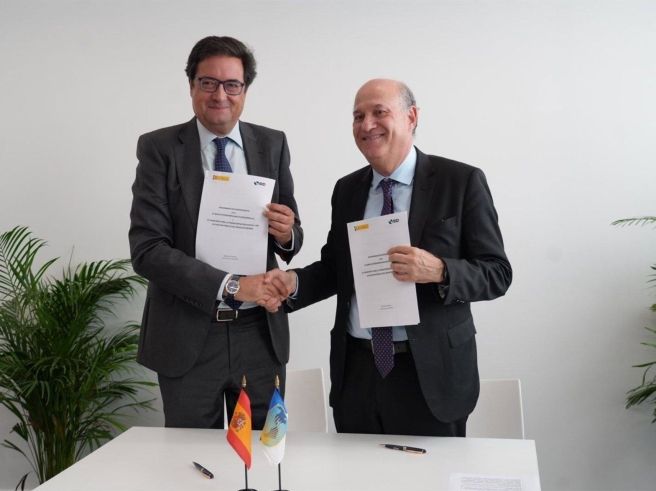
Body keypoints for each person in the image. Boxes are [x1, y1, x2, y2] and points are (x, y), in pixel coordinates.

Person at [266, 79, 511, 436]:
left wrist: (440, 270)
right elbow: (337, 268)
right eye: (358, 116)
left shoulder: (460, 181)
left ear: (411, 117)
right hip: (358, 373)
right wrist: (294, 282)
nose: (367, 125)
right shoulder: (347, 189)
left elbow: (497, 273)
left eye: (379, 112)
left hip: (429, 376)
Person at [129, 36, 302, 429]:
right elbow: (147, 250)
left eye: (231, 85)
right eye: (208, 83)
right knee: (192, 459)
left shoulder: (272, 144)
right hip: (188, 333)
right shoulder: (158, 148)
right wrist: (232, 285)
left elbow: (292, 237)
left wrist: (287, 233)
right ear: (191, 86)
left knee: (263, 453)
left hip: (260, 334)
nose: (220, 95)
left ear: (245, 90)